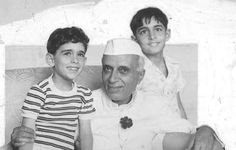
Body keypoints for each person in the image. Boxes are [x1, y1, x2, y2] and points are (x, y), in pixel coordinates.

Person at [10, 38, 224, 150]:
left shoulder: (155, 104)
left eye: (123, 70)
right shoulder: (82, 101)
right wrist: (19, 137)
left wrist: (206, 129)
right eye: (107, 68)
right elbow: (43, 137)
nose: (112, 79)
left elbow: (190, 133)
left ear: (140, 76)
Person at [17, 27, 95, 150]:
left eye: (80, 54)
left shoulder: (85, 94)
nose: (75, 60)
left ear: (84, 60)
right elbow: (26, 136)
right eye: (67, 53)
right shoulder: (39, 91)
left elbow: (86, 134)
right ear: (51, 59)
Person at [130, 7, 188, 119]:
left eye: (157, 29)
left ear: (167, 34)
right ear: (135, 40)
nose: (152, 36)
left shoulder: (174, 66)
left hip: (176, 127)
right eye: (143, 32)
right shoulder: (135, 70)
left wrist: (187, 128)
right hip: (151, 131)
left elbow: (178, 105)